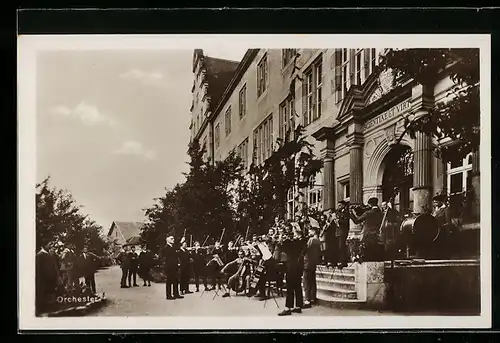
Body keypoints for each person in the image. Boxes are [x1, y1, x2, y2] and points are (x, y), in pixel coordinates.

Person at [278, 223, 306, 316]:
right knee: (297, 286)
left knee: (290, 286)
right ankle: (298, 306)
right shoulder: (302, 241)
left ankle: (288, 308)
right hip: (299, 266)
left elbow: (282, 247)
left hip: (292, 266)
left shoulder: (292, 242)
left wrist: (282, 238)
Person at [303, 226, 321, 308]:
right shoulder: (318, 241)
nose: (309, 232)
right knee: (313, 281)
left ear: (314, 232)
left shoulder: (311, 240)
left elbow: (305, 249)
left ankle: (307, 300)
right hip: (313, 263)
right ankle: (313, 298)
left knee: (306, 282)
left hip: (307, 262)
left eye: (310, 231)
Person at [161, 235, 183, 300]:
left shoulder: (172, 247)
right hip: (169, 267)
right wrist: (181, 242)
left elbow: (176, 250)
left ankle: (176, 294)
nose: (173, 239)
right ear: (167, 240)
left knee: (176, 280)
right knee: (169, 281)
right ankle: (168, 295)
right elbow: (170, 253)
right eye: (171, 239)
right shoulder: (166, 248)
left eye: (173, 238)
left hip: (174, 266)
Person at [334, 201, 351, 268]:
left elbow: (346, 221)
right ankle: (340, 261)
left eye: (340, 205)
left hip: (343, 231)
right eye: (338, 205)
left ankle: (343, 262)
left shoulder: (346, 212)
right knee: (339, 247)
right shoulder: (338, 212)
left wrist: (339, 221)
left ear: (343, 205)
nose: (338, 207)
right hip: (338, 232)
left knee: (342, 247)